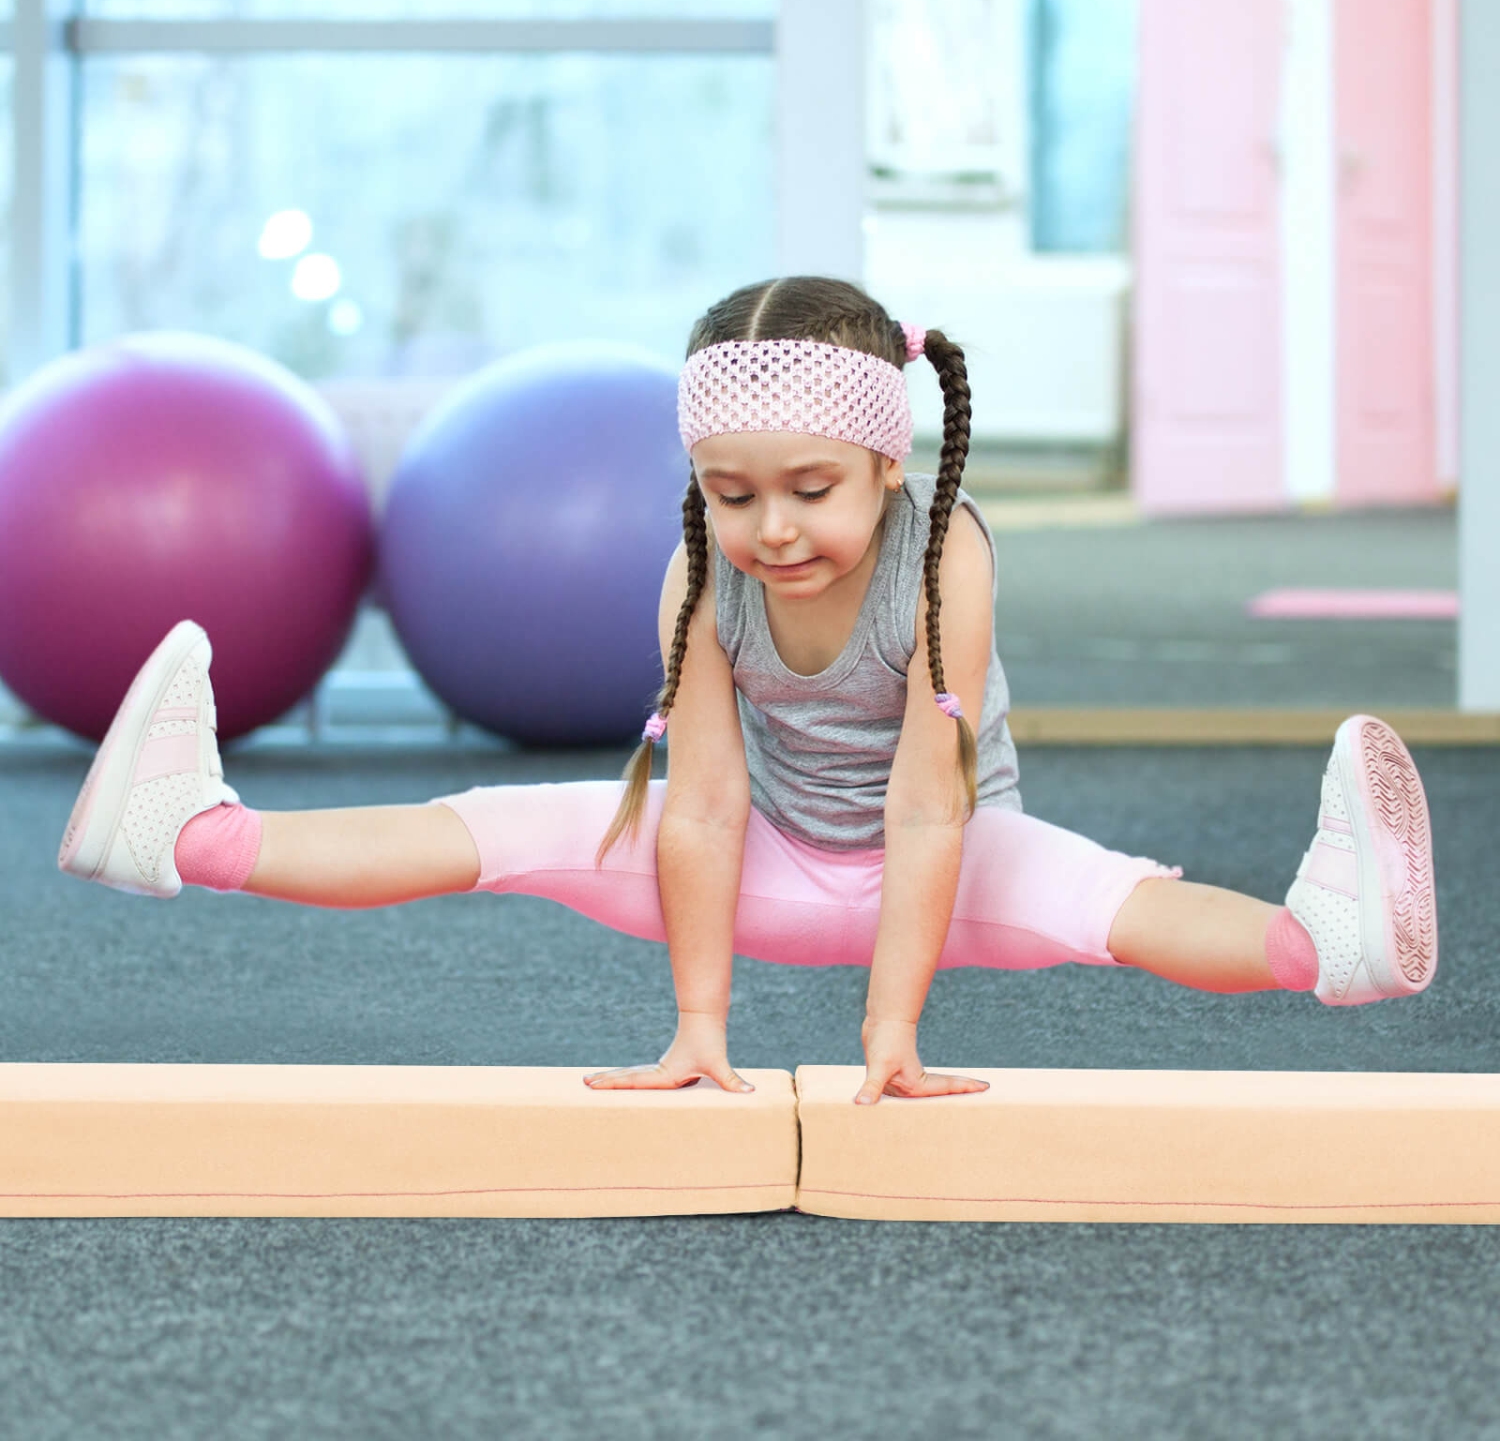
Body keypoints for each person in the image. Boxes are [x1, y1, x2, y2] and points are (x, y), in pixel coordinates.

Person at [57, 276, 1439, 1108]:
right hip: (763, 861)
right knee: (500, 826)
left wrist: (888, 1032)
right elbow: (705, 810)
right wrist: (698, 1033)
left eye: (812, 491)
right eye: (732, 493)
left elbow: (928, 811)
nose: (772, 529)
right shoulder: (701, 577)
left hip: (948, 865)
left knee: (1111, 899)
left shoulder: (944, 556)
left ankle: (1325, 949)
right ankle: (190, 838)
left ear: (889, 468)